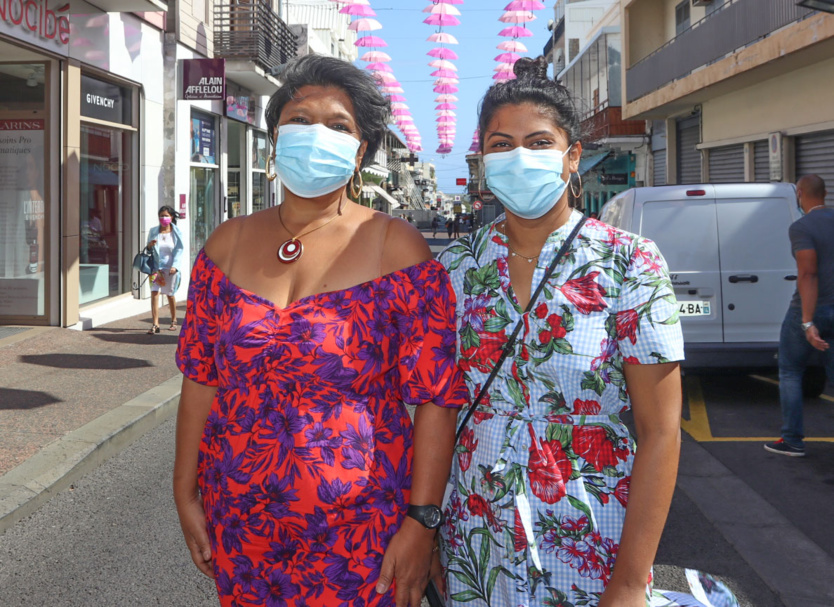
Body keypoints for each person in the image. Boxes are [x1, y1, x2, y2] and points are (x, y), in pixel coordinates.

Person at [173, 54, 469, 607]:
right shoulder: (226, 243)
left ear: (359, 154)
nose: (316, 135)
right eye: (300, 120)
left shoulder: (395, 247)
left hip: (362, 534)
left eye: (339, 126)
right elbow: (200, 378)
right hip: (242, 522)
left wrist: (421, 523)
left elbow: (436, 398)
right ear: (275, 139)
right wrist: (184, 490)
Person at [436, 57, 684, 607]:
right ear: (481, 160)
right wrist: (426, 528)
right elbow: (439, 413)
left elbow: (661, 431)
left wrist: (628, 581)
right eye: (501, 145)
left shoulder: (631, 264)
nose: (519, 157)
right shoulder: (453, 269)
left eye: (539, 142)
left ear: (573, 156)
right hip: (475, 549)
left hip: (593, 549)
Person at [765, 174, 834, 457]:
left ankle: (792, 439)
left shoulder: (802, 227)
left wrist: (807, 322)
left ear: (800, 193)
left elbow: (808, 272)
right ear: (826, 193)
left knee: (791, 371)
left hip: (811, 308)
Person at [146, 206, 184, 334]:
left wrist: (175, 266)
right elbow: (148, 249)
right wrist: (150, 245)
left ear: (171, 217)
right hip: (156, 267)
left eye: (166, 216)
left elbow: (179, 250)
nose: (163, 218)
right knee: (154, 293)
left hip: (170, 268)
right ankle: (155, 324)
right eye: (161, 216)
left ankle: (173, 319)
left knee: (170, 294)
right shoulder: (153, 231)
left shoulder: (176, 233)